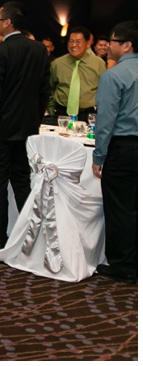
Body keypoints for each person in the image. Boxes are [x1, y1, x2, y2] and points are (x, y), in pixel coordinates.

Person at [0, 2, 50, 251]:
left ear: (7, 22)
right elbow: (44, 92)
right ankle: (29, 234)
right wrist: (33, 123)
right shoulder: (39, 50)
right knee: (22, 182)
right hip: (26, 129)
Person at [92, 20, 137, 284]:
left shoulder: (113, 75)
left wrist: (99, 156)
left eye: (113, 41)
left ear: (127, 45)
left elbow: (106, 121)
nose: (109, 45)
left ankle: (122, 264)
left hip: (124, 147)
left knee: (120, 207)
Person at [46, 26, 106, 124]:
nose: (74, 45)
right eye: (71, 41)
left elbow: (104, 91)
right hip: (61, 114)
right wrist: (51, 110)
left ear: (87, 43)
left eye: (78, 41)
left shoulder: (98, 64)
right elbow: (49, 88)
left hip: (87, 115)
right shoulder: (57, 63)